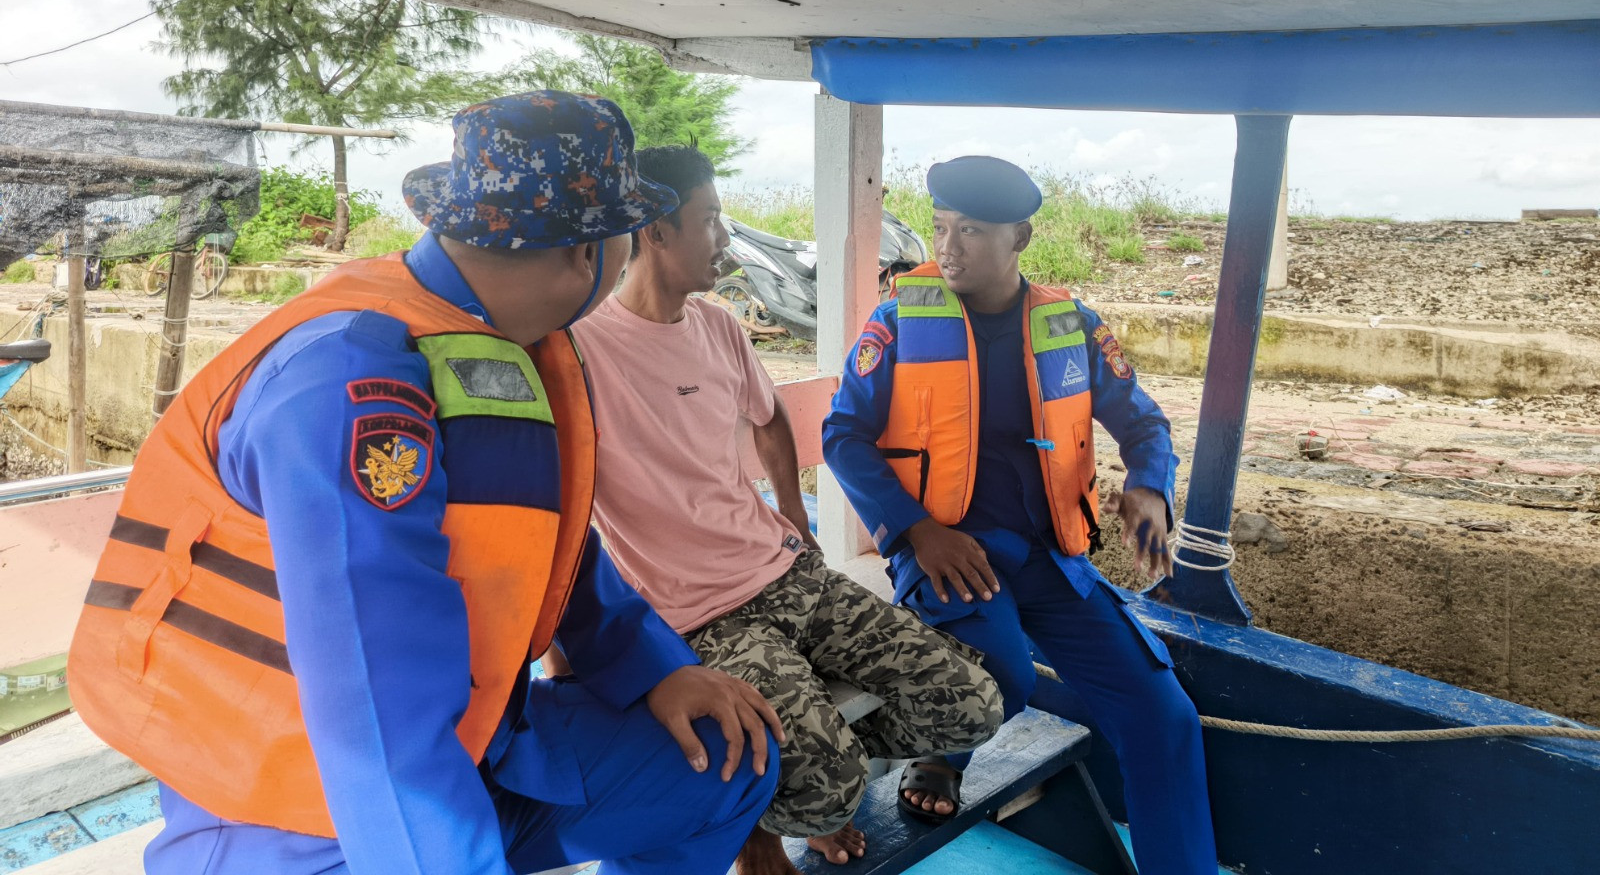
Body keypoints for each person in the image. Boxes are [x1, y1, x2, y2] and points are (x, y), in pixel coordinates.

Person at [67, 93, 784, 875]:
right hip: (303, 809)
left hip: (476, 747)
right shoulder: (355, 379)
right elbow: (372, 707)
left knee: (725, 754)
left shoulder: (503, 345)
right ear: (590, 254)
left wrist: (657, 669)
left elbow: (544, 547)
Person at [570, 146, 1002, 875]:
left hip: (786, 574)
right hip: (701, 616)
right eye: (709, 221)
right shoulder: (582, 350)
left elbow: (770, 418)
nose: (725, 239)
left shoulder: (718, 327)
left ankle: (781, 782)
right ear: (656, 233)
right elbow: (560, 505)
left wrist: (795, 518)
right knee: (828, 792)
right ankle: (760, 820)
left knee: (971, 705)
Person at [821, 156, 1218, 875]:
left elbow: (1144, 424)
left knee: (1165, 720)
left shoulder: (1069, 327)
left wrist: (1151, 487)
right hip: (947, 553)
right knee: (1003, 675)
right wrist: (916, 530)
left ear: (1021, 238)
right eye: (942, 227)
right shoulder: (900, 324)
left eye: (970, 231)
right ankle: (937, 755)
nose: (948, 247)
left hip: (1048, 561)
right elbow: (842, 436)